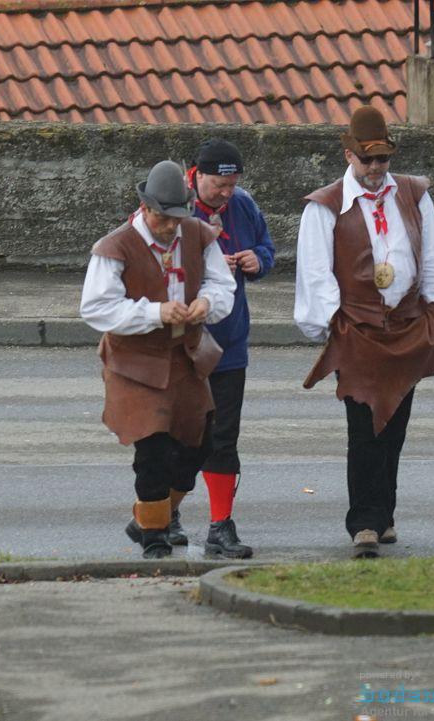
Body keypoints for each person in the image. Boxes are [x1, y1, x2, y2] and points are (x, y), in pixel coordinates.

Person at [294, 105, 434, 558]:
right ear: (348, 156)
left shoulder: (413, 194)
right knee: (364, 427)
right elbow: (315, 273)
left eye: (382, 159)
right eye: (366, 160)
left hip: (407, 328)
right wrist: (335, 325)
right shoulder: (326, 207)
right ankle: (364, 523)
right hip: (358, 332)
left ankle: (384, 514)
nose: (375, 168)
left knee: (396, 427)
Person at [80, 160, 235, 559]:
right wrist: (155, 313)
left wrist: (207, 302)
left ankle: (150, 518)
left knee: (198, 443)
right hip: (135, 361)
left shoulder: (198, 234)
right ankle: (154, 537)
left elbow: (222, 283)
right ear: (145, 208)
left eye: (177, 217)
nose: (171, 226)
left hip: (186, 356)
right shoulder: (114, 246)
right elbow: (97, 308)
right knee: (152, 448)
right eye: (163, 217)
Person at [185, 139, 275, 559]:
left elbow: (267, 248)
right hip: (181, 342)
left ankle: (221, 525)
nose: (227, 193)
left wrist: (257, 261)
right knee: (177, 434)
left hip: (230, 341)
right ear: (197, 175)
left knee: (223, 437)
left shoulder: (243, 204)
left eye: (232, 184)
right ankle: (161, 517)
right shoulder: (172, 208)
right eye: (220, 185)